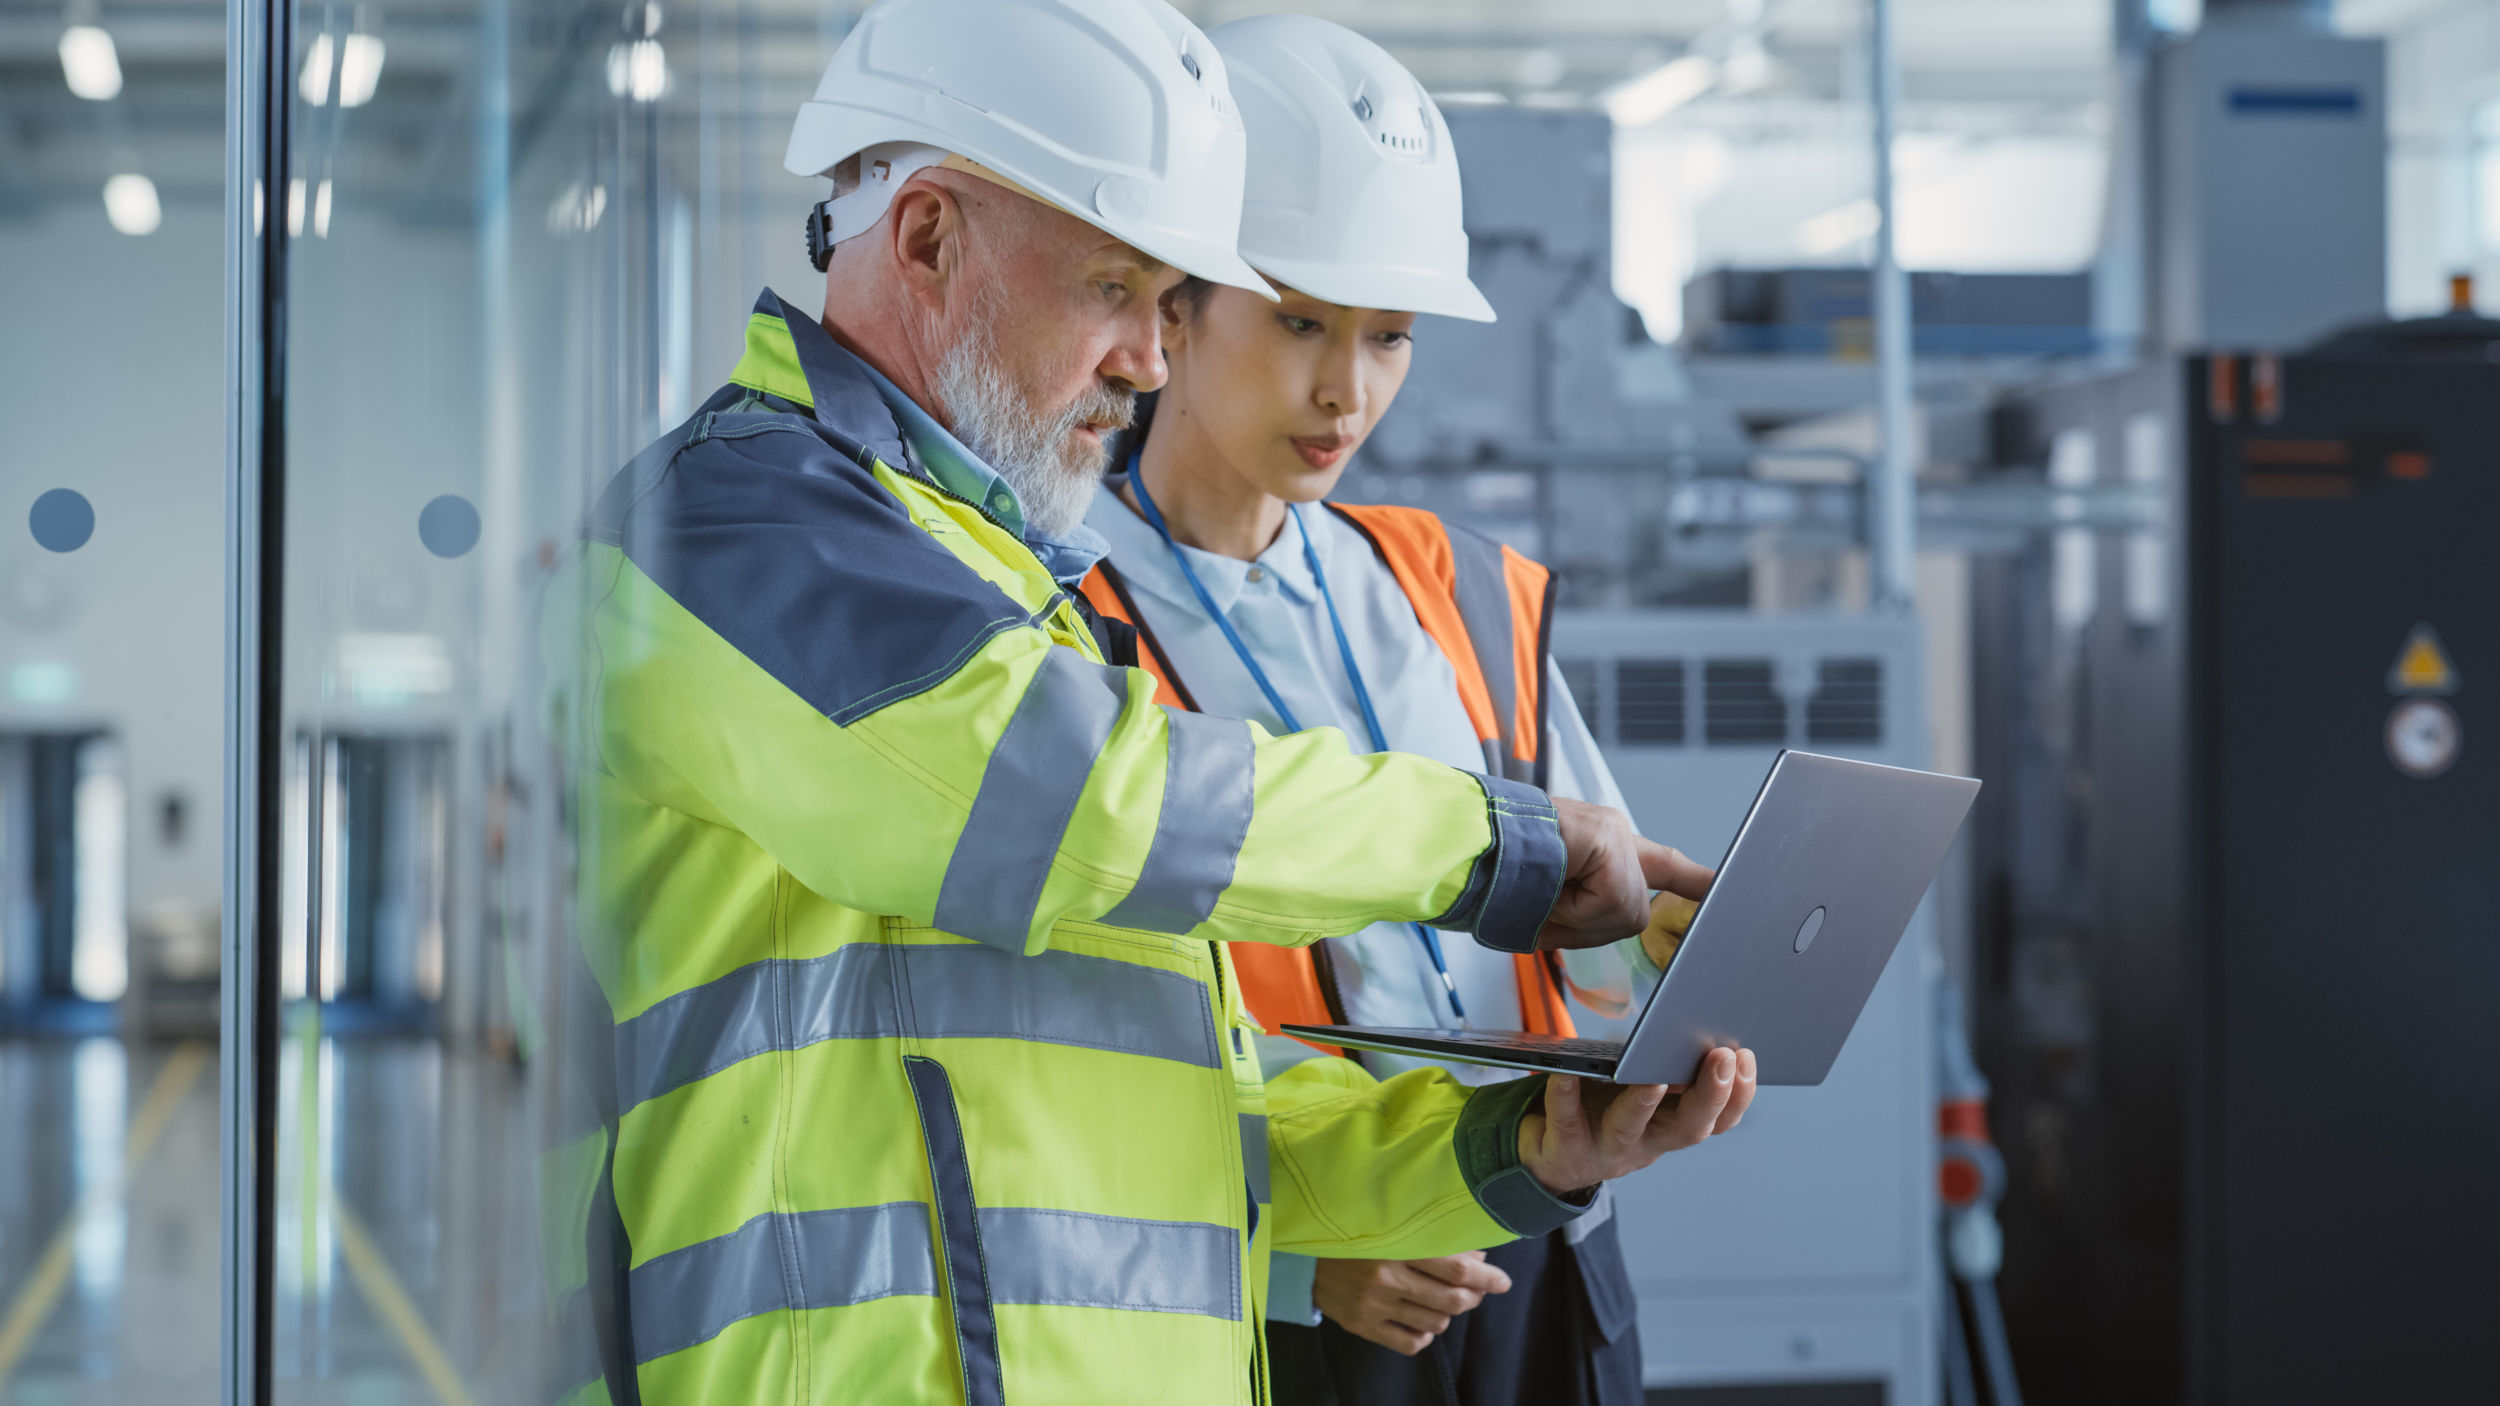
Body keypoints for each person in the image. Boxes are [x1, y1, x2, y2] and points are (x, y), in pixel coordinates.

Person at [551, 1, 1753, 1401]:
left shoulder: (1010, 589)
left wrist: (1511, 1150)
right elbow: (1075, 799)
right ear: (928, 236)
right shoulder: (729, 531)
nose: (1153, 355)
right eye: (1117, 288)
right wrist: (1497, 846)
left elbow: (1208, 1112)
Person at [1077, 16, 1714, 1406]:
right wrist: (1288, 1255)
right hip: (1311, 1309)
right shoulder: (1064, 624)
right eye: (1301, 320)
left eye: (1389, 336)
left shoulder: (1464, 594)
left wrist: (1680, 979)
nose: (1345, 389)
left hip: (1539, 1246)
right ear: (1173, 306)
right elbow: (1067, 1069)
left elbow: (1600, 948)